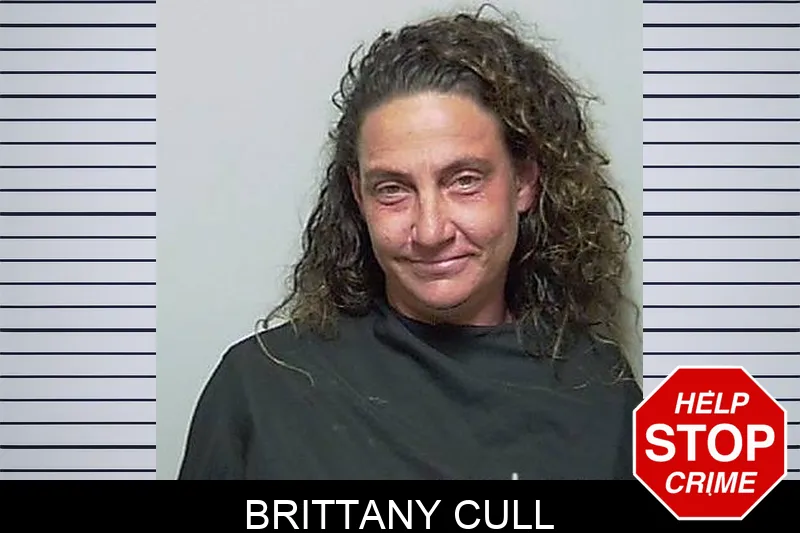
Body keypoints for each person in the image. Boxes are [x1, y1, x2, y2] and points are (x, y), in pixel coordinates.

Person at [178, 6, 642, 480]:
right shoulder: (260, 390)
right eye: (393, 189)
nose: (431, 231)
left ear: (523, 182)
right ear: (359, 195)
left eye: (464, 180)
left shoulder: (601, 393)